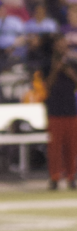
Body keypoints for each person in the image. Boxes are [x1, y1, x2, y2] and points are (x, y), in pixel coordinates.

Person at [45, 55, 77, 190]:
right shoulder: (48, 65)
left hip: (71, 112)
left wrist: (70, 72)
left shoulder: (73, 64)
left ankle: (71, 177)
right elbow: (47, 86)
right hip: (55, 113)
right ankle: (54, 177)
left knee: (72, 147)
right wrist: (55, 70)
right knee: (55, 149)